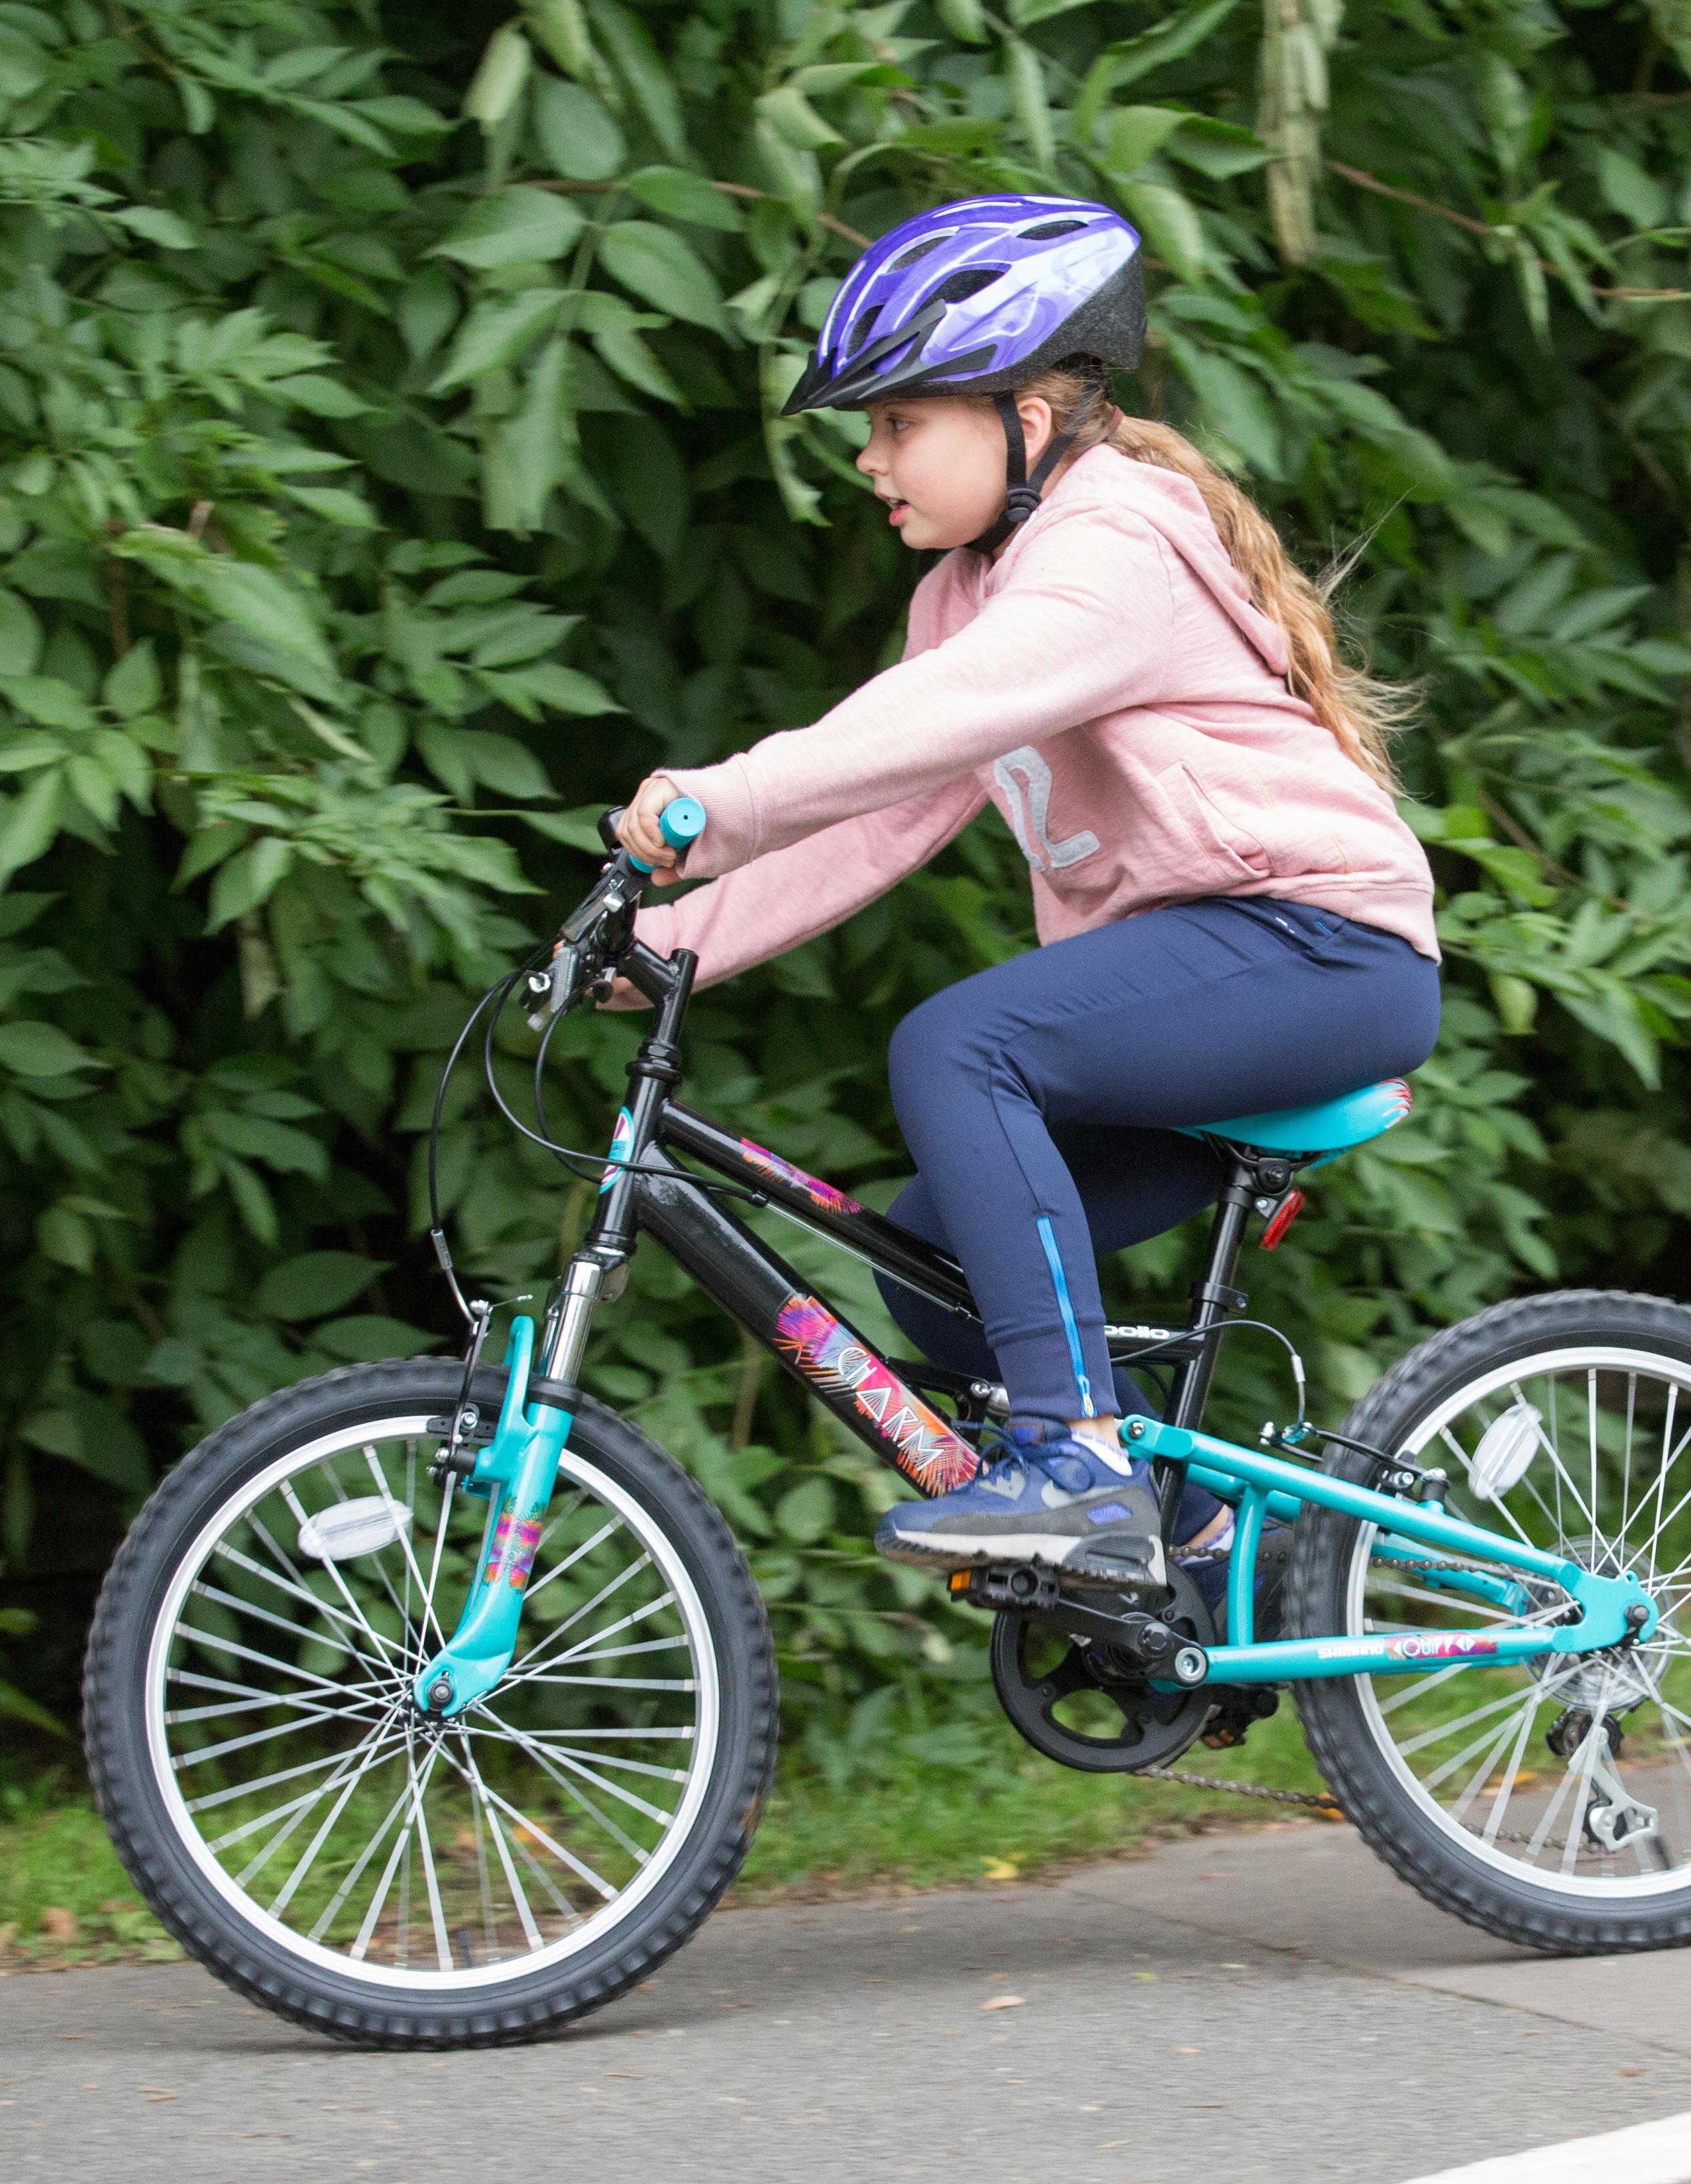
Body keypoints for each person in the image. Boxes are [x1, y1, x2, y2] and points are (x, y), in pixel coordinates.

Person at [614, 195, 1440, 1591]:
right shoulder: (970, 589)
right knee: (927, 1260)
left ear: (1026, 417)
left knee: (959, 1042)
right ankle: (1196, 1552)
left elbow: (933, 722)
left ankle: (1082, 1468)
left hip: (1321, 955)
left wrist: (719, 802)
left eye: (898, 424)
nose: (871, 462)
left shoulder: (1111, 544)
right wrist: (661, 948)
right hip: (1213, 979)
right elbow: (881, 802)